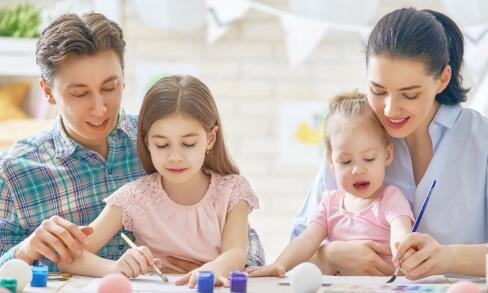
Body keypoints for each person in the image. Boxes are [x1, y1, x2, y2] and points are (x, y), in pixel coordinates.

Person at [0, 13, 265, 273]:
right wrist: (26, 250)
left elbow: (237, 232)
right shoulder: (14, 171)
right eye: (80, 93)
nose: (100, 108)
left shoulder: (167, 136)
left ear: (124, 80)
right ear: (47, 91)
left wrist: (216, 267)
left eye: (109, 87)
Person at [293, 7, 488, 279]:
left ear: (442, 79)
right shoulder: (352, 136)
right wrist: (329, 256)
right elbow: (295, 248)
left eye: (409, 94)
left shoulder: (485, 144)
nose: (390, 109)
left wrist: (450, 257)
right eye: (378, 91)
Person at [58, 75, 258, 287]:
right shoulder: (135, 196)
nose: (175, 157)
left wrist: (208, 272)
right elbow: (71, 257)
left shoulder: (233, 191)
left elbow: (235, 253)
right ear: (147, 142)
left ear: (210, 139)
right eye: (162, 145)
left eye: (188, 144)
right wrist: (114, 267)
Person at [248, 91, 414, 278]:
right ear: (331, 161)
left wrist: (403, 250)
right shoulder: (330, 203)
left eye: (368, 158)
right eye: (345, 161)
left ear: (388, 155)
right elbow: (306, 240)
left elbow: (401, 233)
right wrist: (279, 266)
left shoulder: (390, 199)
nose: (357, 170)